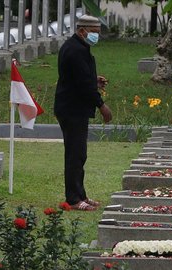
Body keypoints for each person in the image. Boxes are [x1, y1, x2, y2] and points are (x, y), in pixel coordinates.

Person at [54, 15, 112, 211]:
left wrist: (93, 80)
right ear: (82, 31)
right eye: (94, 33)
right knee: (74, 155)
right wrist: (102, 106)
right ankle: (73, 198)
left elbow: (78, 78)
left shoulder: (78, 47)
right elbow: (81, 86)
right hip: (72, 109)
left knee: (79, 155)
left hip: (74, 107)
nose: (96, 36)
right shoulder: (75, 51)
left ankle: (81, 194)